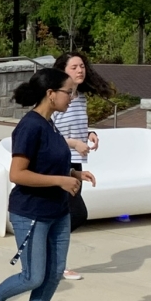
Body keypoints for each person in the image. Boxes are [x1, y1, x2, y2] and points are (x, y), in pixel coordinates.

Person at [0, 68, 96, 301]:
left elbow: (47, 163)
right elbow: (17, 174)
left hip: (57, 210)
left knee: (54, 273)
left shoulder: (51, 124)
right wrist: (61, 180)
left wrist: (74, 174)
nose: (72, 96)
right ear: (51, 94)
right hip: (31, 212)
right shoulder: (30, 126)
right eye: (69, 91)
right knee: (33, 275)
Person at [52, 52, 114, 281]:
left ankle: (56, 263)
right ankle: (55, 262)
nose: (80, 70)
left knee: (68, 215)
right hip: (59, 161)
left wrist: (90, 134)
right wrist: (75, 143)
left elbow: (75, 127)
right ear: (63, 71)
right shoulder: (56, 99)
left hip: (75, 161)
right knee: (75, 213)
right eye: (74, 67)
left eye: (82, 66)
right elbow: (49, 134)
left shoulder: (80, 99)